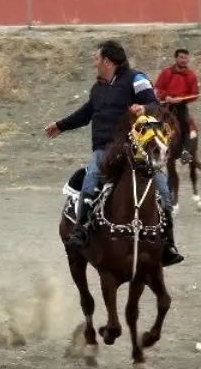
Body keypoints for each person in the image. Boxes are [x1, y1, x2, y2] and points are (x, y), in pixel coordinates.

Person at [44, 40, 183, 266]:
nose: (94, 62)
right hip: (103, 149)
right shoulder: (98, 88)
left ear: (108, 61)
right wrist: (61, 125)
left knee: (162, 184)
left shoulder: (136, 79)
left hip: (132, 148)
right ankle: (81, 230)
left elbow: (156, 105)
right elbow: (86, 112)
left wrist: (144, 109)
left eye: (96, 58)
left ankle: (168, 242)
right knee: (90, 179)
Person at [154, 48, 200, 162]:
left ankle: (185, 151)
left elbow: (194, 94)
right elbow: (157, 88)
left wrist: (182, 99)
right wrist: (166, 97)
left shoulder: (191, 76)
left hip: (181, 105)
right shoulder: (166, 72)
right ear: (176, 58)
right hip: (164, 104)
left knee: (185, 123)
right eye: (181, 57)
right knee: (151, 122)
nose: (184, 60)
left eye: (186, 58)